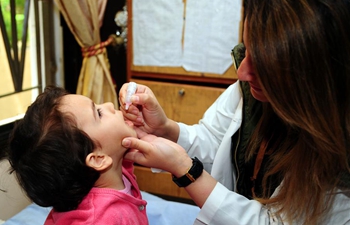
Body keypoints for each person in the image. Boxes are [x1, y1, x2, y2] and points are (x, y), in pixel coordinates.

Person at [119, 0, 350, 224]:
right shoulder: (251, 89)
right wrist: (165, 129)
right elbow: (215, 142)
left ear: (310, 80)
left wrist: (187, 171)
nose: (241, 72)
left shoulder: (339, 162)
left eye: (263, 66)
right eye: (247, 49)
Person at [5, 86, 148, 225]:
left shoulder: (115, 170)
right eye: (99, 113)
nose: (110, 105)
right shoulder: (101, 220)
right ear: (97, 159)